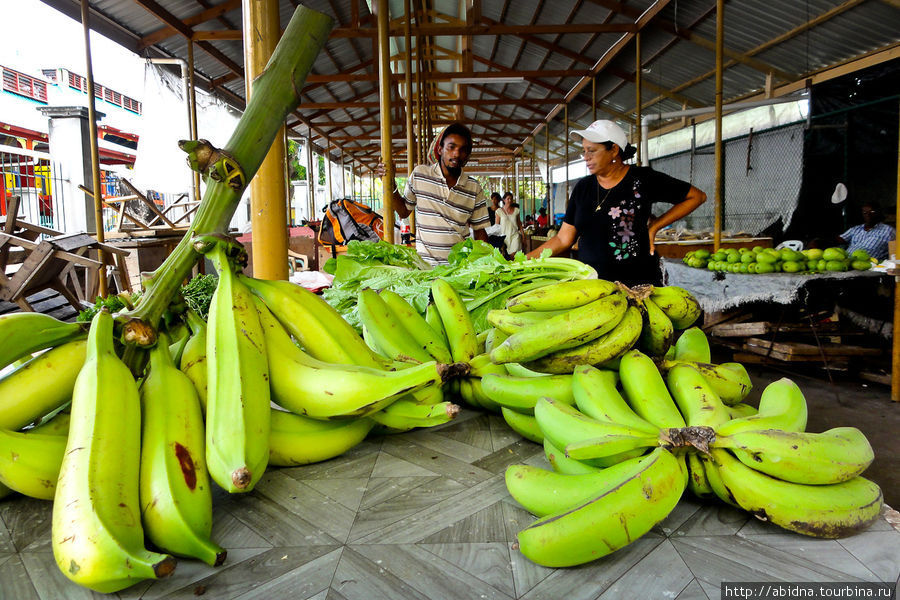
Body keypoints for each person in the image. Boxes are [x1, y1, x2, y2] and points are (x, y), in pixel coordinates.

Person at [526, 120, 706, 286]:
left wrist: (655, 226)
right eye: (584, 150)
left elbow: (696, 197)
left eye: (592, 150)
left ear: (613, 150)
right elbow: (563, 239)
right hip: (593, 286)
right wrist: (523, 261)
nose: (586, 156)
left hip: (637, 284)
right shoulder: (583, 188)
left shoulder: (642, 180)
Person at [382, 122, 490, 265]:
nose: (456, 153)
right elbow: (403, 211)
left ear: (467, 155)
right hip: (425, 268)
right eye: (451, 147)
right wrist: (390, 183)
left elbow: (479, 231)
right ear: (440, 149)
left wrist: (487, 262)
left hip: (458, 269)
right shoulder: (420, 175)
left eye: (462, 149)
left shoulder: (474, 188)